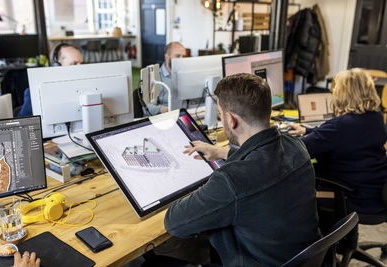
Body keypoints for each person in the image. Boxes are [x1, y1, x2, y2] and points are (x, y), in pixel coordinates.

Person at [164, 73, 321, 266]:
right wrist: (222, 152)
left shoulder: (232, 180)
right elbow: (263, 161)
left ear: (230, 120)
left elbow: (174, 223)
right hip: (300, 258)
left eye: (221, 114)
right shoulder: (296, 146)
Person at [288, 68, 387, 215]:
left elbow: (299, 149)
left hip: (353, 196)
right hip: (373, 192)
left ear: (343, 94)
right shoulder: (376, 117)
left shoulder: (342, 125)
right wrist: (307, 131)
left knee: (292, 186)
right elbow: (345, 137)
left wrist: (277, 138)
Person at [18, 43, 83, 117]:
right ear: (56, 66)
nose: (81, 68)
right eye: (74, 64)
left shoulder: (88, 88)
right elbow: (23, 125)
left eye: (81, 63)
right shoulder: (35, 94)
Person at [145, 42, 186, 115]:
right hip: (166, 117)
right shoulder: (154, 76)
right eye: (178, 56)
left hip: (184, 114)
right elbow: (147, 108)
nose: (181, 60)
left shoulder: (184, 75)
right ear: (167, 56)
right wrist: (165, 109)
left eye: (183, 56)